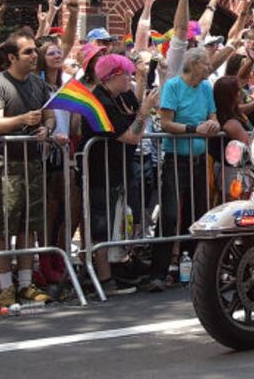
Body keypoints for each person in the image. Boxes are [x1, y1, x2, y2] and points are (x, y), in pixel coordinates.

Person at [0, 32, 58, 306]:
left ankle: (26, 284)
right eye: (28, 52)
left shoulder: (38, 84)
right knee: (2, 226)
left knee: (29, 225)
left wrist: (46, 129)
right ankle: (5, 287)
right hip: (4, 165)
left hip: (33, 163)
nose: (34, 56)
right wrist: (23, 119)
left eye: (35, 51)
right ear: (12, 57)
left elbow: (50, 117)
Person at [80, 53, 159, 291]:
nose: (129, 78)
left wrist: (143, 100)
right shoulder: (99, 102)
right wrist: (145, 110)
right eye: (126, 74)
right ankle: (105, 278)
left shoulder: (123, 96)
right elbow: (131, 135)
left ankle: (121, 266)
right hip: (100, 172)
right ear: (111, 77)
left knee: (124, 220)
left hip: (122, 168)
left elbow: (136, 117)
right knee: (101, 225)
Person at [154, 46, 221, 290]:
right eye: (206, 64)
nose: (209, 68)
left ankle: (192, 266)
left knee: (198, 213)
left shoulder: (206, 87)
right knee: (170, 213)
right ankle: (158, 272)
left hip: (200, 158)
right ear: (193, 64)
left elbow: (213, 117)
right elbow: (165, 123)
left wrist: (213, 125)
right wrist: (194, 129)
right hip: (176, 158)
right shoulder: (173, 86)